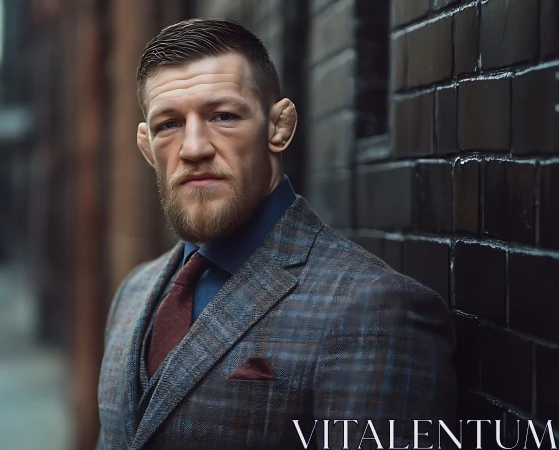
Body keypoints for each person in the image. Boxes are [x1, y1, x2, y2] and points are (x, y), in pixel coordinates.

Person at [97, 18, 456, 450]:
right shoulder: (131, 295)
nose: (193, 148)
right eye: (168, 125)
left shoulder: (374, 309)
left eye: (223, 116)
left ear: (279, 127)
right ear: (147, 147)